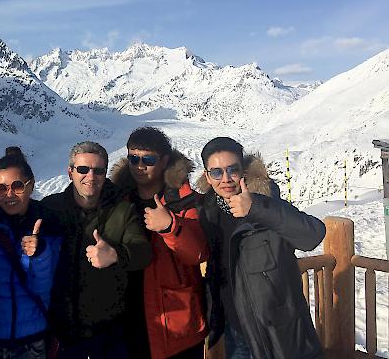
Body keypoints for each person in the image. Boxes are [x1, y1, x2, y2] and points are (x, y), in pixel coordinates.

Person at [196, 137, 325, 359]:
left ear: (243, 170)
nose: (225, 179)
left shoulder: (267, 203)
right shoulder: (207, 214)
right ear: (207, 176)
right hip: (236, 333)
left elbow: (312, 234)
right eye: (216, 172)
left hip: (281, 334)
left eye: (232, 170)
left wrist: (257, 208)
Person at [40, 141, 151, 359]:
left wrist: (116, 254)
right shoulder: (50, 209)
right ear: (70, 172)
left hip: (109, 333)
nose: (91, 176)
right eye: (83, 169)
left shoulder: (122, 209)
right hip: (62, 333)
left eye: (98, 170)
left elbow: (143, 252)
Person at [111, 127, 207, 359]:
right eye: (134, 158)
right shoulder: (118, 199)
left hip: (175, 324)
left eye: (149, 159)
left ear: (164, 160)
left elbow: (197, 253)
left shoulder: (184, 199)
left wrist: (170, 227)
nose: (140, 166)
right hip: (130, 320)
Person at [0, 147, 61, 359]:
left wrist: (39, 255)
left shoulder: (49, 227)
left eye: (17, 186)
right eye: (1, 188)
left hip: (33, 340)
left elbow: (42, 290)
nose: (9, 194)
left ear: (31, 185)